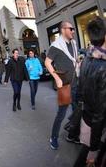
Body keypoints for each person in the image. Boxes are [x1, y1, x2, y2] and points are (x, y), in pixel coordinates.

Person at [73, 17, 106, 167]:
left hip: (87, 119)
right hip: (98, 127)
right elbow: (100, 113)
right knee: (89, 158)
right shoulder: (103, 66)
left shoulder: (87, 58)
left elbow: (80, 92)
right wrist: (94, 150)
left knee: (83, 155)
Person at [45, 21, 78, 150]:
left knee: (77, 112)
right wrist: (57, 78)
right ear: (63, 30)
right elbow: (48, 63)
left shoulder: (74, 44)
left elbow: (73, 60)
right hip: (64, 85)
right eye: (71, 29)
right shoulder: (56, 46)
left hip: (76, 83)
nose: (73, 31)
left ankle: (72, 135)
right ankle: (53, 137)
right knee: (61, 114)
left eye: (74, 29)